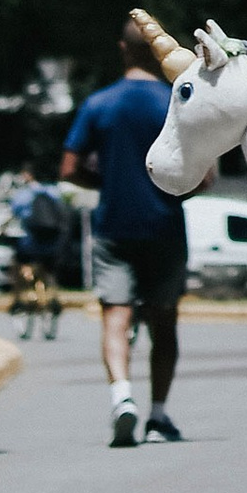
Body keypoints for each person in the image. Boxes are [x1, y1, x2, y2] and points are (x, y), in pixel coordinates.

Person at [63, 33, 188, 446]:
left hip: (113, 227)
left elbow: (69, 168)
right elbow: (203, 176)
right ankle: (159, 416)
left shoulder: (99, 103)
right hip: (164, 226)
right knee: (163, 321)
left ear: (121, 47)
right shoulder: (175, 101)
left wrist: (108, 182)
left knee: (115, 317)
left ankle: (122, 396)